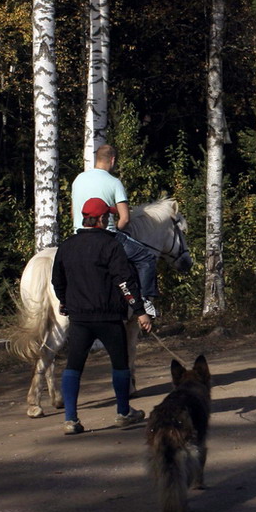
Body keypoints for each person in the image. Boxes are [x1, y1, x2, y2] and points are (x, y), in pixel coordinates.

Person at [52, 197, 154, 435]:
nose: (109, 219)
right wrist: (140, 311)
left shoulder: (67, 245)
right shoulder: (111, 245)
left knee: (73, 366)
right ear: (99, 219)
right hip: (108, 318)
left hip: (79, 318)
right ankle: (123, 412)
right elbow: (125, 282)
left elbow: (57, 280)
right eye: (106, 216)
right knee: (120, 363)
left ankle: (70, 420)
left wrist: (65, 302)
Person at [71, 144, 160, 318]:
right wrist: (116, 232)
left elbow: (73, 210)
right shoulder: (114, 182)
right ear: (112, 160)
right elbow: (125, 218)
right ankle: (144, 300)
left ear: (97, 159)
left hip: (78, 233)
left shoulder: (78, 179)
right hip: (106, 234)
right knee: (146, 257)